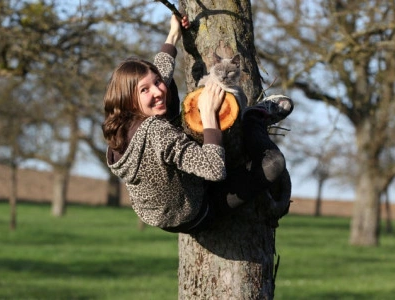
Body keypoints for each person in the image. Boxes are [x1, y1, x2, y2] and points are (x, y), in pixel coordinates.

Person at [102, 15, 294, 234]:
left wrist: (173, 34)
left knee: (168, 92)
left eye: (155, 83)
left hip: (163, 208)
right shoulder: (157, 132)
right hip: (198, 210)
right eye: (144, 90)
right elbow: (213, 170)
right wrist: (210, 114)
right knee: (274, 163)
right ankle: (255, 117)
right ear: (127, 98)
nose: (157, 91)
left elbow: (160, 77)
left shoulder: (118, 124)